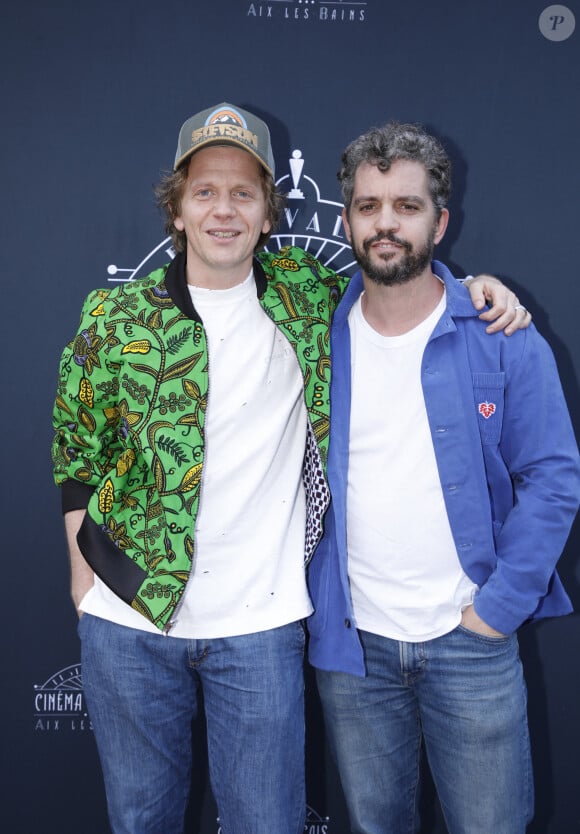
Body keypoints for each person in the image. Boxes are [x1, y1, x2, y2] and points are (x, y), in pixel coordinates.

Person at [52, 103, 529, 834]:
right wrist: (85, 581)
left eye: (243, 193)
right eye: (204, 192)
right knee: (141, 819)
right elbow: (76, 451)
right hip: (129, 624)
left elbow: (400, 284)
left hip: (263, 627)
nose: (223, 210)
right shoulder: (114, 318)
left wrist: (476, 291)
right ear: (176, 209)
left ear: (268, 212)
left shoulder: (308, 297)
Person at [307, 122, 580, 834]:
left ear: (441, 220)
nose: (386, 223)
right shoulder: (311, 334)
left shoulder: (502, 336)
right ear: (347, 220)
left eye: (406, 205)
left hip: (471, 642)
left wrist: (498, 610)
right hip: (353, 648)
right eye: (368, 207)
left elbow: (553, 478)